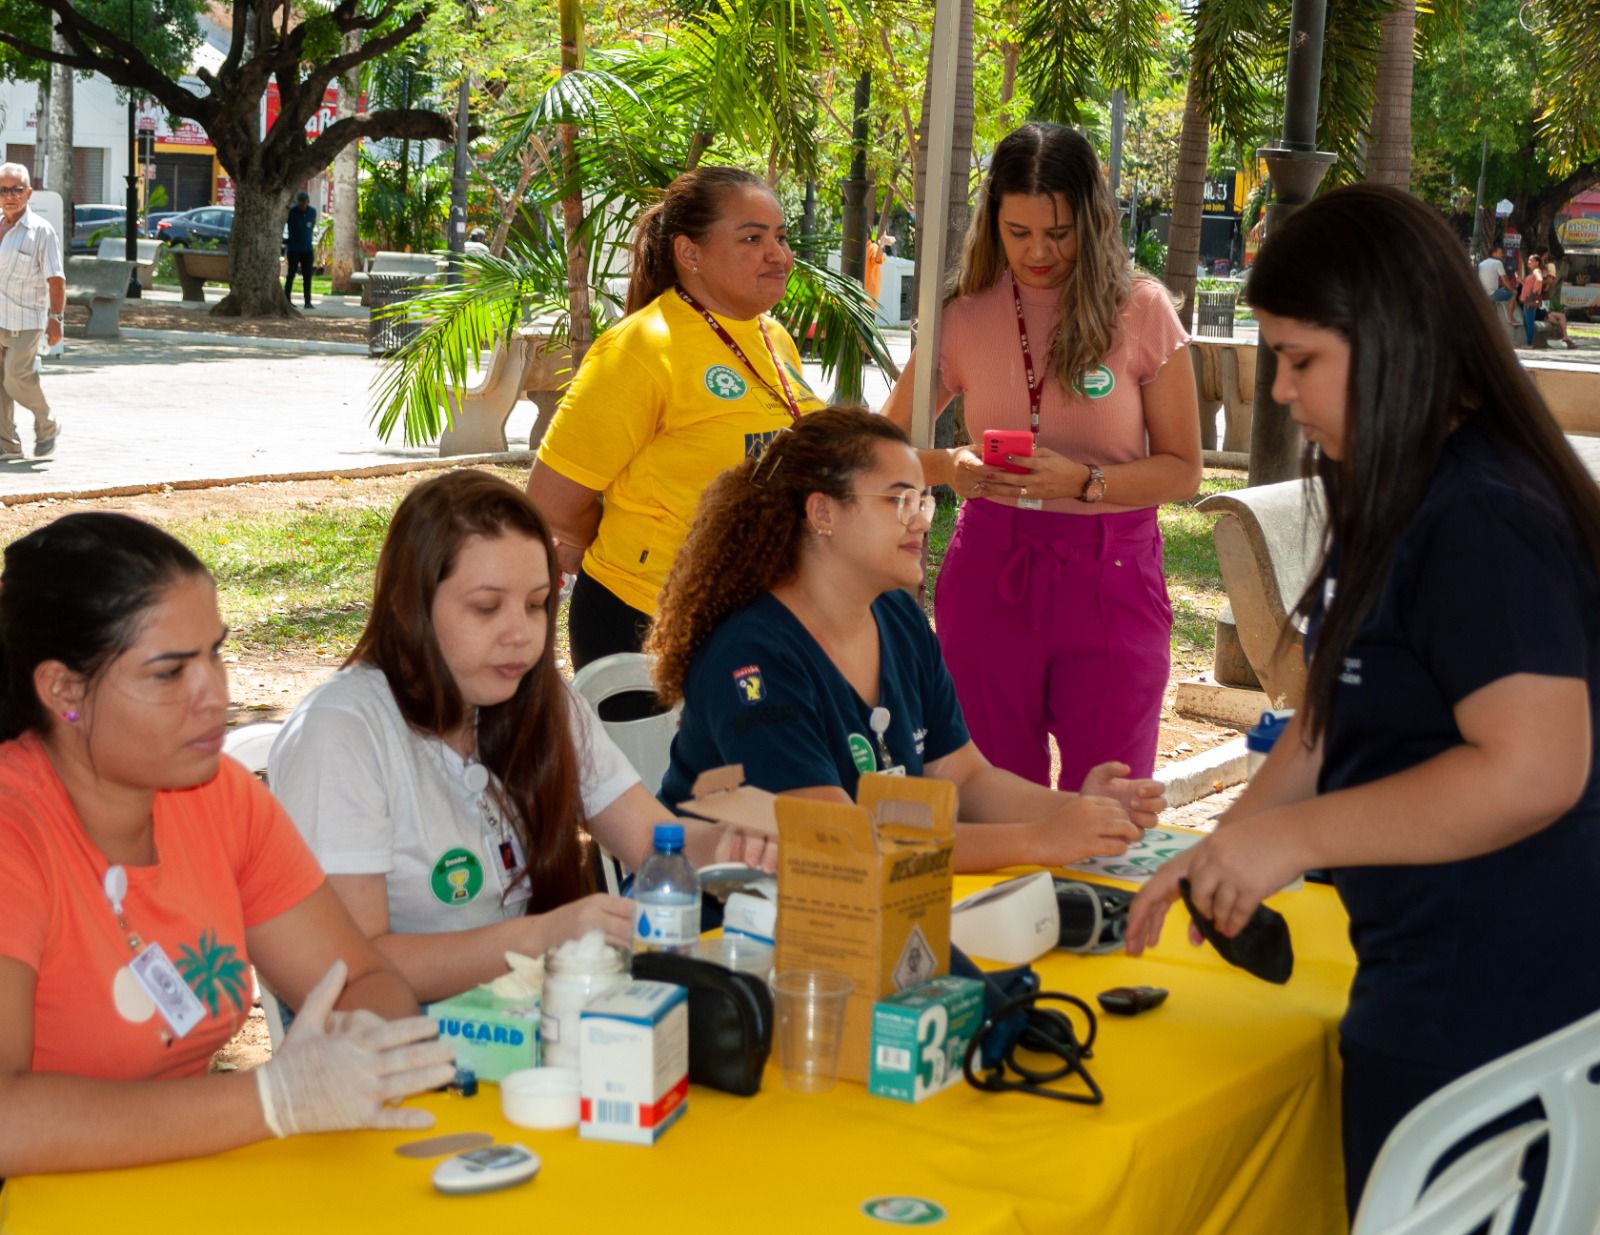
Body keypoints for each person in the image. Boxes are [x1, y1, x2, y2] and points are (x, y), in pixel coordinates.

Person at [1125, 185, 1600, 1223]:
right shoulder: (1393, 483)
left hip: (1494, 1005)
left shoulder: (1481, 511)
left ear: (1392, 341)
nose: (1282, 390)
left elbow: (1534, 767)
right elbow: (1332, 710)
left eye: (1301, 359)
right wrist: (1224, 848)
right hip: (1429, 982)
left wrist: (1293, 837)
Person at [0, 513, 455, 1176]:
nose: (215, 695)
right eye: (168, 673)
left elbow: (361, 977)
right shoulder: (15, 832)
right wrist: (273, 1098)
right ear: (63, 690)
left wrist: (367, 1039)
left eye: (214, 652)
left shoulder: (222, 796)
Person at [269, 470, 773, 1003]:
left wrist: (737, 849)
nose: (520, 634)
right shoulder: (342, 734)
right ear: (405, 605)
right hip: (396, 1057)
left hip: (526, 1032)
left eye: (536, 605)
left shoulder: (542, 700)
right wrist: (541, 938)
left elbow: (654, 841)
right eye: (487, 607)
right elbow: (351, 970)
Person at [648, 407, 1164, 873]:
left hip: (866, 910)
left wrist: (1077, 810)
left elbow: (962, 778)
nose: (920, 520)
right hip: (722, 929)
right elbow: (839, 841)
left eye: (923, 501)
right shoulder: (752, 654)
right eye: (898, 501)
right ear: (822, 512)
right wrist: (1038, 841)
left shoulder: (896, 614)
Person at [880, 123, 1201, 791]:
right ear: (992, 221)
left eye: (1058, 233)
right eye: (1018, 232)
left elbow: (1183, 468)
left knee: (1108, 802)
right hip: (991, 570)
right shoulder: (962, 315)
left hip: (1112, 574)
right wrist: (952, 468)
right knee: (991, 798)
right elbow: (885, 448)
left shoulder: (1140, 310)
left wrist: (1089, 482)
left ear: (1093, 220)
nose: (1038, 253)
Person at [526, 166, 824, 674]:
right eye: (753, 238)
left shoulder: (774, 337)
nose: (779, 255)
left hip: (760, 620)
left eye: (780, 236)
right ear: (690, 254)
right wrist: (627, 542)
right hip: (645, 622)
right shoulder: (640, 349)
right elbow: (553, 501)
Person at [0, 162, 63, 461]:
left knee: (15, 378)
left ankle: (47, 423)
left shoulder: (41, 231)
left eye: (16, 190)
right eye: (3, 190)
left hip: (26, 321)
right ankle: (8, 445)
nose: (9, 196)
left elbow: (56, 279)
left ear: (28, 192)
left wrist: (56, 320)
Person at [284, 190, 316, 309]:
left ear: (308, 202)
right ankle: (287, 299)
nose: (302, 205)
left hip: (307, 249)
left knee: (307, 276)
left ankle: (308, 301)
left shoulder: (312, 212)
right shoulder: (292, 212)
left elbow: (311, 226)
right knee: (291, 274)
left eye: (304, 202)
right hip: (294, 249)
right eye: (300, 202)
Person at [1476, 242, 1518, 327]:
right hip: (1491, 294)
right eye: (1500, 252)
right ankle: (1510, 319)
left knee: (1502, 290)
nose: (1502, 254)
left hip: (1482, 294)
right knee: (1513, 294)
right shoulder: (1498, 263)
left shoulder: (1482, 263)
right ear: (1494, 253)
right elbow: (1505, 280)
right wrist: (1512, 290)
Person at [1518, 251, 1544, 347]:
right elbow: (1528, 285)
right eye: (1528, 260)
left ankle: (1530, 344)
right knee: (1527, 322)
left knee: (1529, 322)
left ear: (1537, 262)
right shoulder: (1533, 272)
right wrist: (1521, 281)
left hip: (1530, 300)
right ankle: (1528, 343)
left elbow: (1540, 280)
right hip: (1527, 301)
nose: (1529, 262)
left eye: (1531, 260)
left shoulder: (1536, 271)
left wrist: (1533, 292)